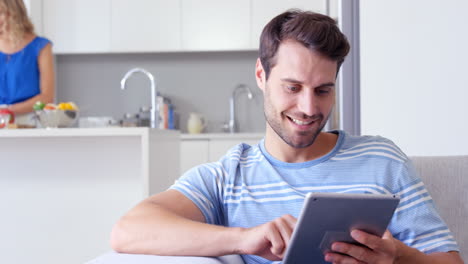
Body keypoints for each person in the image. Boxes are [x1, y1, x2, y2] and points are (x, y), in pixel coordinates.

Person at [110, 10, 463, 264]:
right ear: (261, 75)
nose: (309, 108)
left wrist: (398, 257)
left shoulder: (381, 159)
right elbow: (128, 231)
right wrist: (245, 239)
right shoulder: (229, 174)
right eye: (293, 87)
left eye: (323, 90)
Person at [0, 0, 54, 126]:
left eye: (1, 13)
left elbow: (47, 97)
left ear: (13, 14)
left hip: (29, 122)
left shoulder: (41, 46)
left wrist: (8, 111)